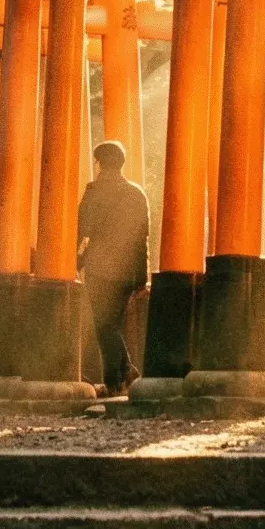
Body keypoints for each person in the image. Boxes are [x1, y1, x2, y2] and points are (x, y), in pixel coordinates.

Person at [76, 139, 150, 394]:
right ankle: (118, 378)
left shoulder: (94, 191)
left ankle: (120, 375)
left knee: (104, 325)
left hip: (99, 268)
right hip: (126, 270)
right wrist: (141, 276)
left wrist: (75, 258)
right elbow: (142, 238)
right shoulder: (136, 193)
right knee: (112, 324)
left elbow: (82, 228)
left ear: (99, 163)